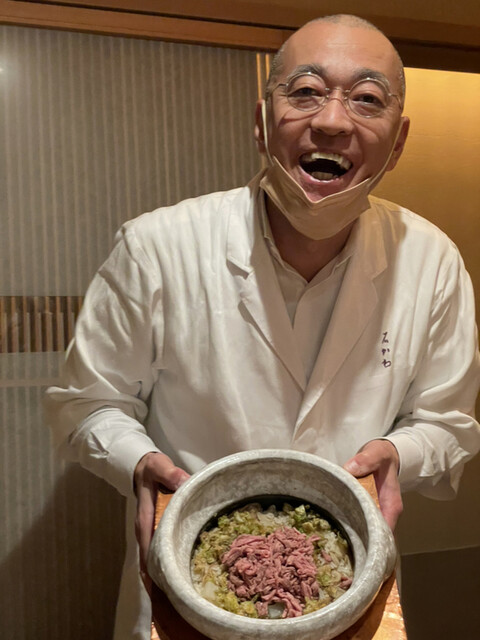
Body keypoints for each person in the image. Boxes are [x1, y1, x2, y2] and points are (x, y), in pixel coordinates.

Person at [45, 14, 480, 640]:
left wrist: (398, 455)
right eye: (305, 91)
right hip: (191, 585)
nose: (332, 120)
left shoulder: (431, 261)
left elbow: (447, 422)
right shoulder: (157, 247)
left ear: (399, 139)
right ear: (261, 122)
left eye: (367, 99)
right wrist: (139, 464)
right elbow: (86, 404)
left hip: (343, 582)